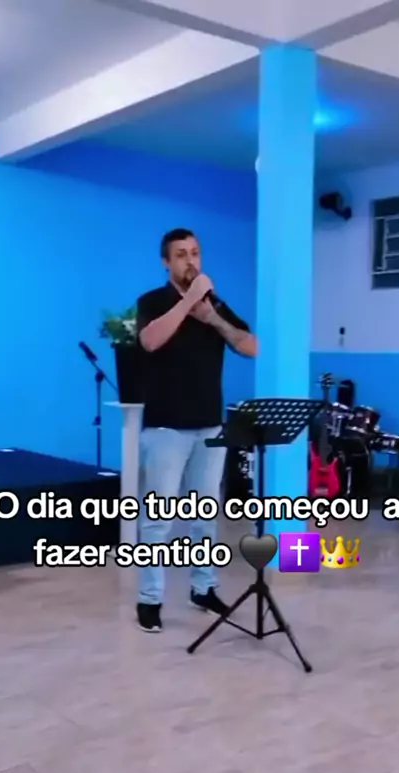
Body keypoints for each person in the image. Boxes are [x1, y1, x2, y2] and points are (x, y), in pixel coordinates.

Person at [136, 228, 257, 632]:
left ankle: (203, 588)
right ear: (166, 262)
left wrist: (213, 318)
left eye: (195, 253)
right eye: (181, 255)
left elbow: (251, 346)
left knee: (205, 516)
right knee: (158, 520)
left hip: (209, 427)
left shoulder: (214, 304)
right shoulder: (152, 301)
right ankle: (149, 599)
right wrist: (188, 302)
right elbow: (150, 341)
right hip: (166, 428)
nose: (191, 261)